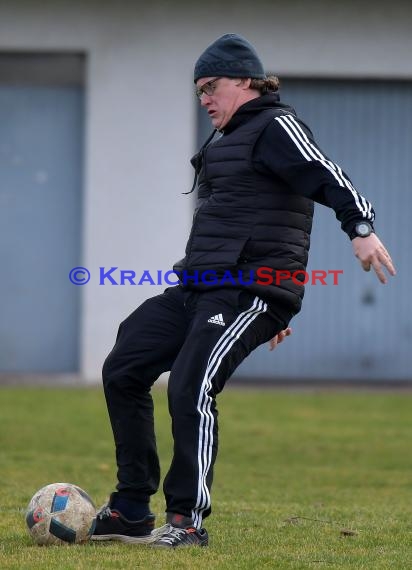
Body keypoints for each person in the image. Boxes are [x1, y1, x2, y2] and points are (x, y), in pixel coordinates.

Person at [92, 33, 396, 548]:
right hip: (200, 286)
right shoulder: (224, 141)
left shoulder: (276, 126)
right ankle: (130, 507)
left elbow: (327, 176)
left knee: (191, 384)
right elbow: (235, 222)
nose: (205, 98)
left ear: (246, 81)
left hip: (250, 289)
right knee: (124, 365)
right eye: (198, 92)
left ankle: (187, 521)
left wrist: (360, 229)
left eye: (211, 86)